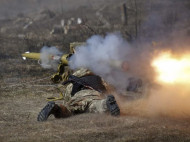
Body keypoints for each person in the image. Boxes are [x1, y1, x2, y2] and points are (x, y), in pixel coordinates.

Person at [37, 68, 120, 121]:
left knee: (67, 111)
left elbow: (67, 98)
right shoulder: (99, 78)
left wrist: (66, 106)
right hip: (93, 95)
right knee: (97, 106)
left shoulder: (72, 82)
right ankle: (106, 103)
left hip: (77, 97)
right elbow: (110, 89)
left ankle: (55, 108)